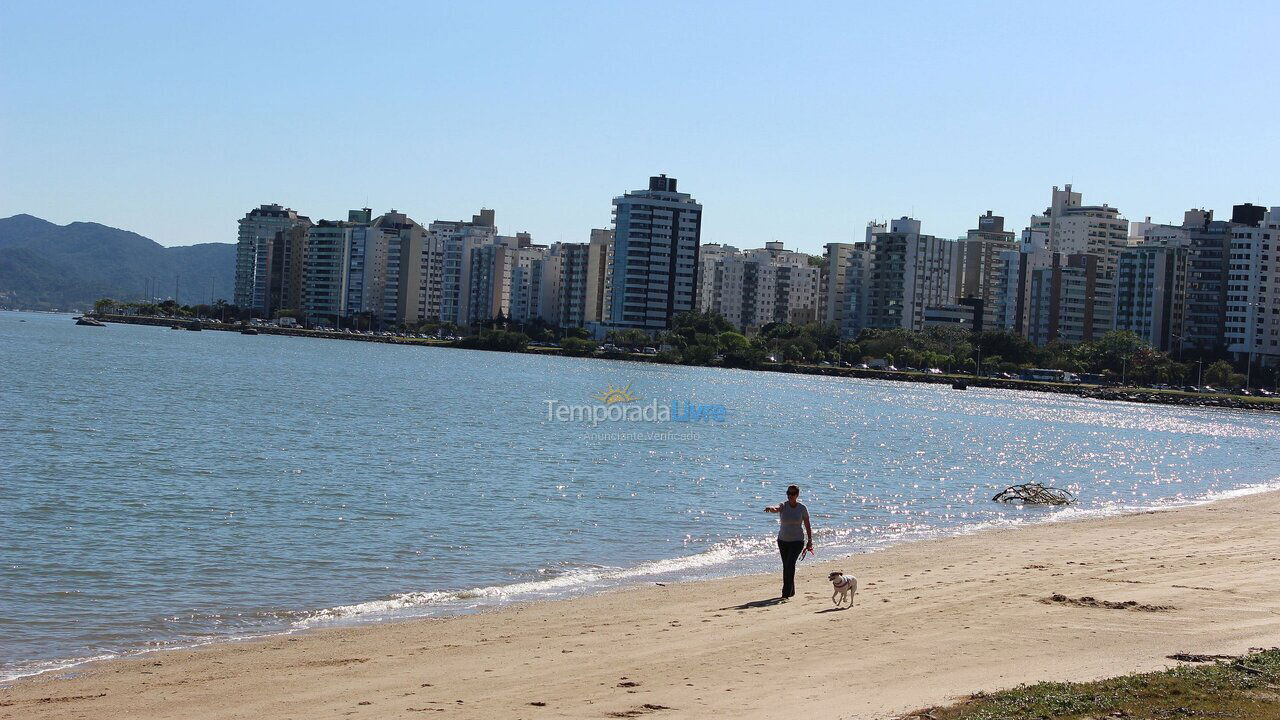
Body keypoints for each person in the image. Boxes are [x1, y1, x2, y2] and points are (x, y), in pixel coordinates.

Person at [764, 484, 813, 599]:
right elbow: (776, 509)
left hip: (797, 541)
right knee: (787, 566)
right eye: (788, 493)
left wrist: (810, 540)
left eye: (792, 494)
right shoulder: (783, 506)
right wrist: (770, 508)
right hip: (783, 541)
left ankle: (785, 594)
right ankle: (791, 591)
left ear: (797, 495)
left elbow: (807, 524)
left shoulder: (802, 508)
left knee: (790, 564)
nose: (790, 496)